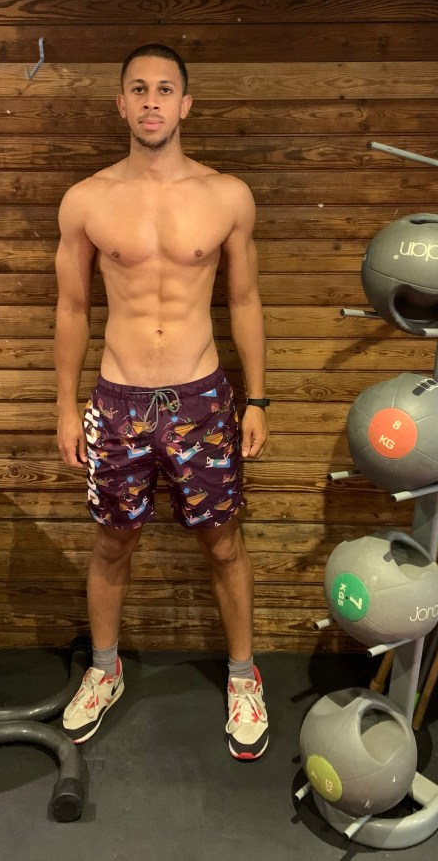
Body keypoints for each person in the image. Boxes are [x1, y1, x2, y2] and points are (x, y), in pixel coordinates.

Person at [54, 43, 270, 760]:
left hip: (202, 399)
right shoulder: (86, 199)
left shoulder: (226, 195)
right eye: (138, 88)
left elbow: (244, 299)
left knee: (223, 540)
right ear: (121, 103)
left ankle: (243, 676)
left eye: (165, 89)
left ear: (186, 104)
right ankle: (104, 668)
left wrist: (258, 399)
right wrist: (64, 406)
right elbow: (71, 309)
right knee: (113, 541)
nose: (151, 100)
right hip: (117, 401)